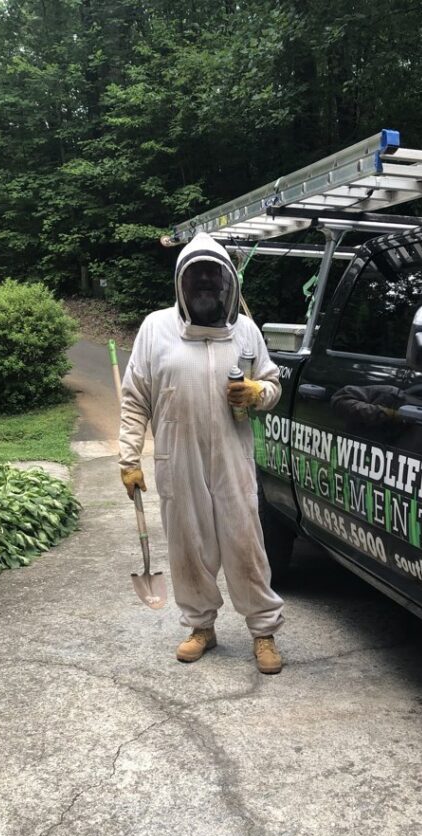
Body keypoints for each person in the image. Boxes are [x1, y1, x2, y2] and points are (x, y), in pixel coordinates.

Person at [118, 232, 285, 673]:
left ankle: (263, 631)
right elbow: (135, 397)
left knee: (245, 541)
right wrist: (129, 458)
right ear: (182, 283)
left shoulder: (246, 331)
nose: (207, 281)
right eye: (198, 274)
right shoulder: (156, 328)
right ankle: (201, 628)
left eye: (215, 273)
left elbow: (273, 385)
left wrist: (256, 392)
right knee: (188, 545)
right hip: (179, 457)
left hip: (233, 457)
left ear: (228, 281)